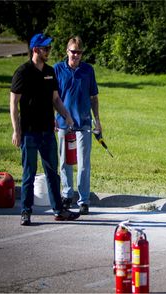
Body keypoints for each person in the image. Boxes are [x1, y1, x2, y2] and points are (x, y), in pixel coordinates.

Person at [10, 33, 81, 225]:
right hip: (29, 133)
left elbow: (56, 99)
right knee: (28, 174)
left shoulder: (50, 72)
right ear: (35, 50)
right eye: (45, 48)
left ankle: (59, 210)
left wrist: (66, 115)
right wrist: (16, 130)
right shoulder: (22, 72)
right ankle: (26, 211)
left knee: (52, 174)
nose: (48, 51)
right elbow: (13, 103)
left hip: (48, 131)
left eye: (49, 48)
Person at [54, 36, 102, 215]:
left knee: (83, 163)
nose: (76, 55)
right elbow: (54, 97)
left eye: (79, 52)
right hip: (62, 123)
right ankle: (67, 195)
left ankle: (83, 200)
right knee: (65, 161)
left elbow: (93, 98)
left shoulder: (88, 70)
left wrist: (97, 119)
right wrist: (54, 118)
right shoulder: (58, 69)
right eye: (73, 51)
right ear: (67, 51)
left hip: (83, 123)